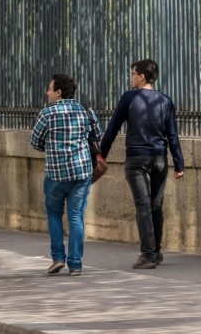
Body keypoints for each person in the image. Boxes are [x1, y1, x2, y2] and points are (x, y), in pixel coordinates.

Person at [99, 58, 186, 269]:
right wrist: (179, 164)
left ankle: (147, 255)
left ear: (142, 76)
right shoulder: (165, 101)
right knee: (156, 205)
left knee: (143, 206)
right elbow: (172, 135)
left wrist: (102, 153)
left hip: (137, 158)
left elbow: (113, 128)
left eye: (133, 74)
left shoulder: (129, 98)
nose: (132, 78)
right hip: (159, 159)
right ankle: (155, 252)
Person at [29, 74, 101, 276]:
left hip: (56, 173)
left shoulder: (47, 114)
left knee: (54, 214)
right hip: (81, 172)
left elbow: (35, 142)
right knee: (76, 216)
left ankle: (58, 258)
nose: (47, 92)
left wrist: (51, 145)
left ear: (59, 92)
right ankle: (76, 264)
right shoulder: (85, 111)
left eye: (50, 89)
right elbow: (97, 135)